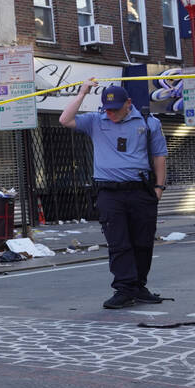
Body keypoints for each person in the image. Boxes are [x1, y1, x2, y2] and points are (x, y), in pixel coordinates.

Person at [59, 81, 168, 309]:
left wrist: (159, 188)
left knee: (143, 242)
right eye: (107, 109)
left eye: (116, 109)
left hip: (140, 190)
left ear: (129, 103)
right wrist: (82, 93)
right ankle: (124, 288)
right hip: (109, 192)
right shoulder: (96, 121)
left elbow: (159, 156)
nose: (111, 113)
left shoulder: (149, 122)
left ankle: (138, 286)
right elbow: (65, 119)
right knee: (119, 242)